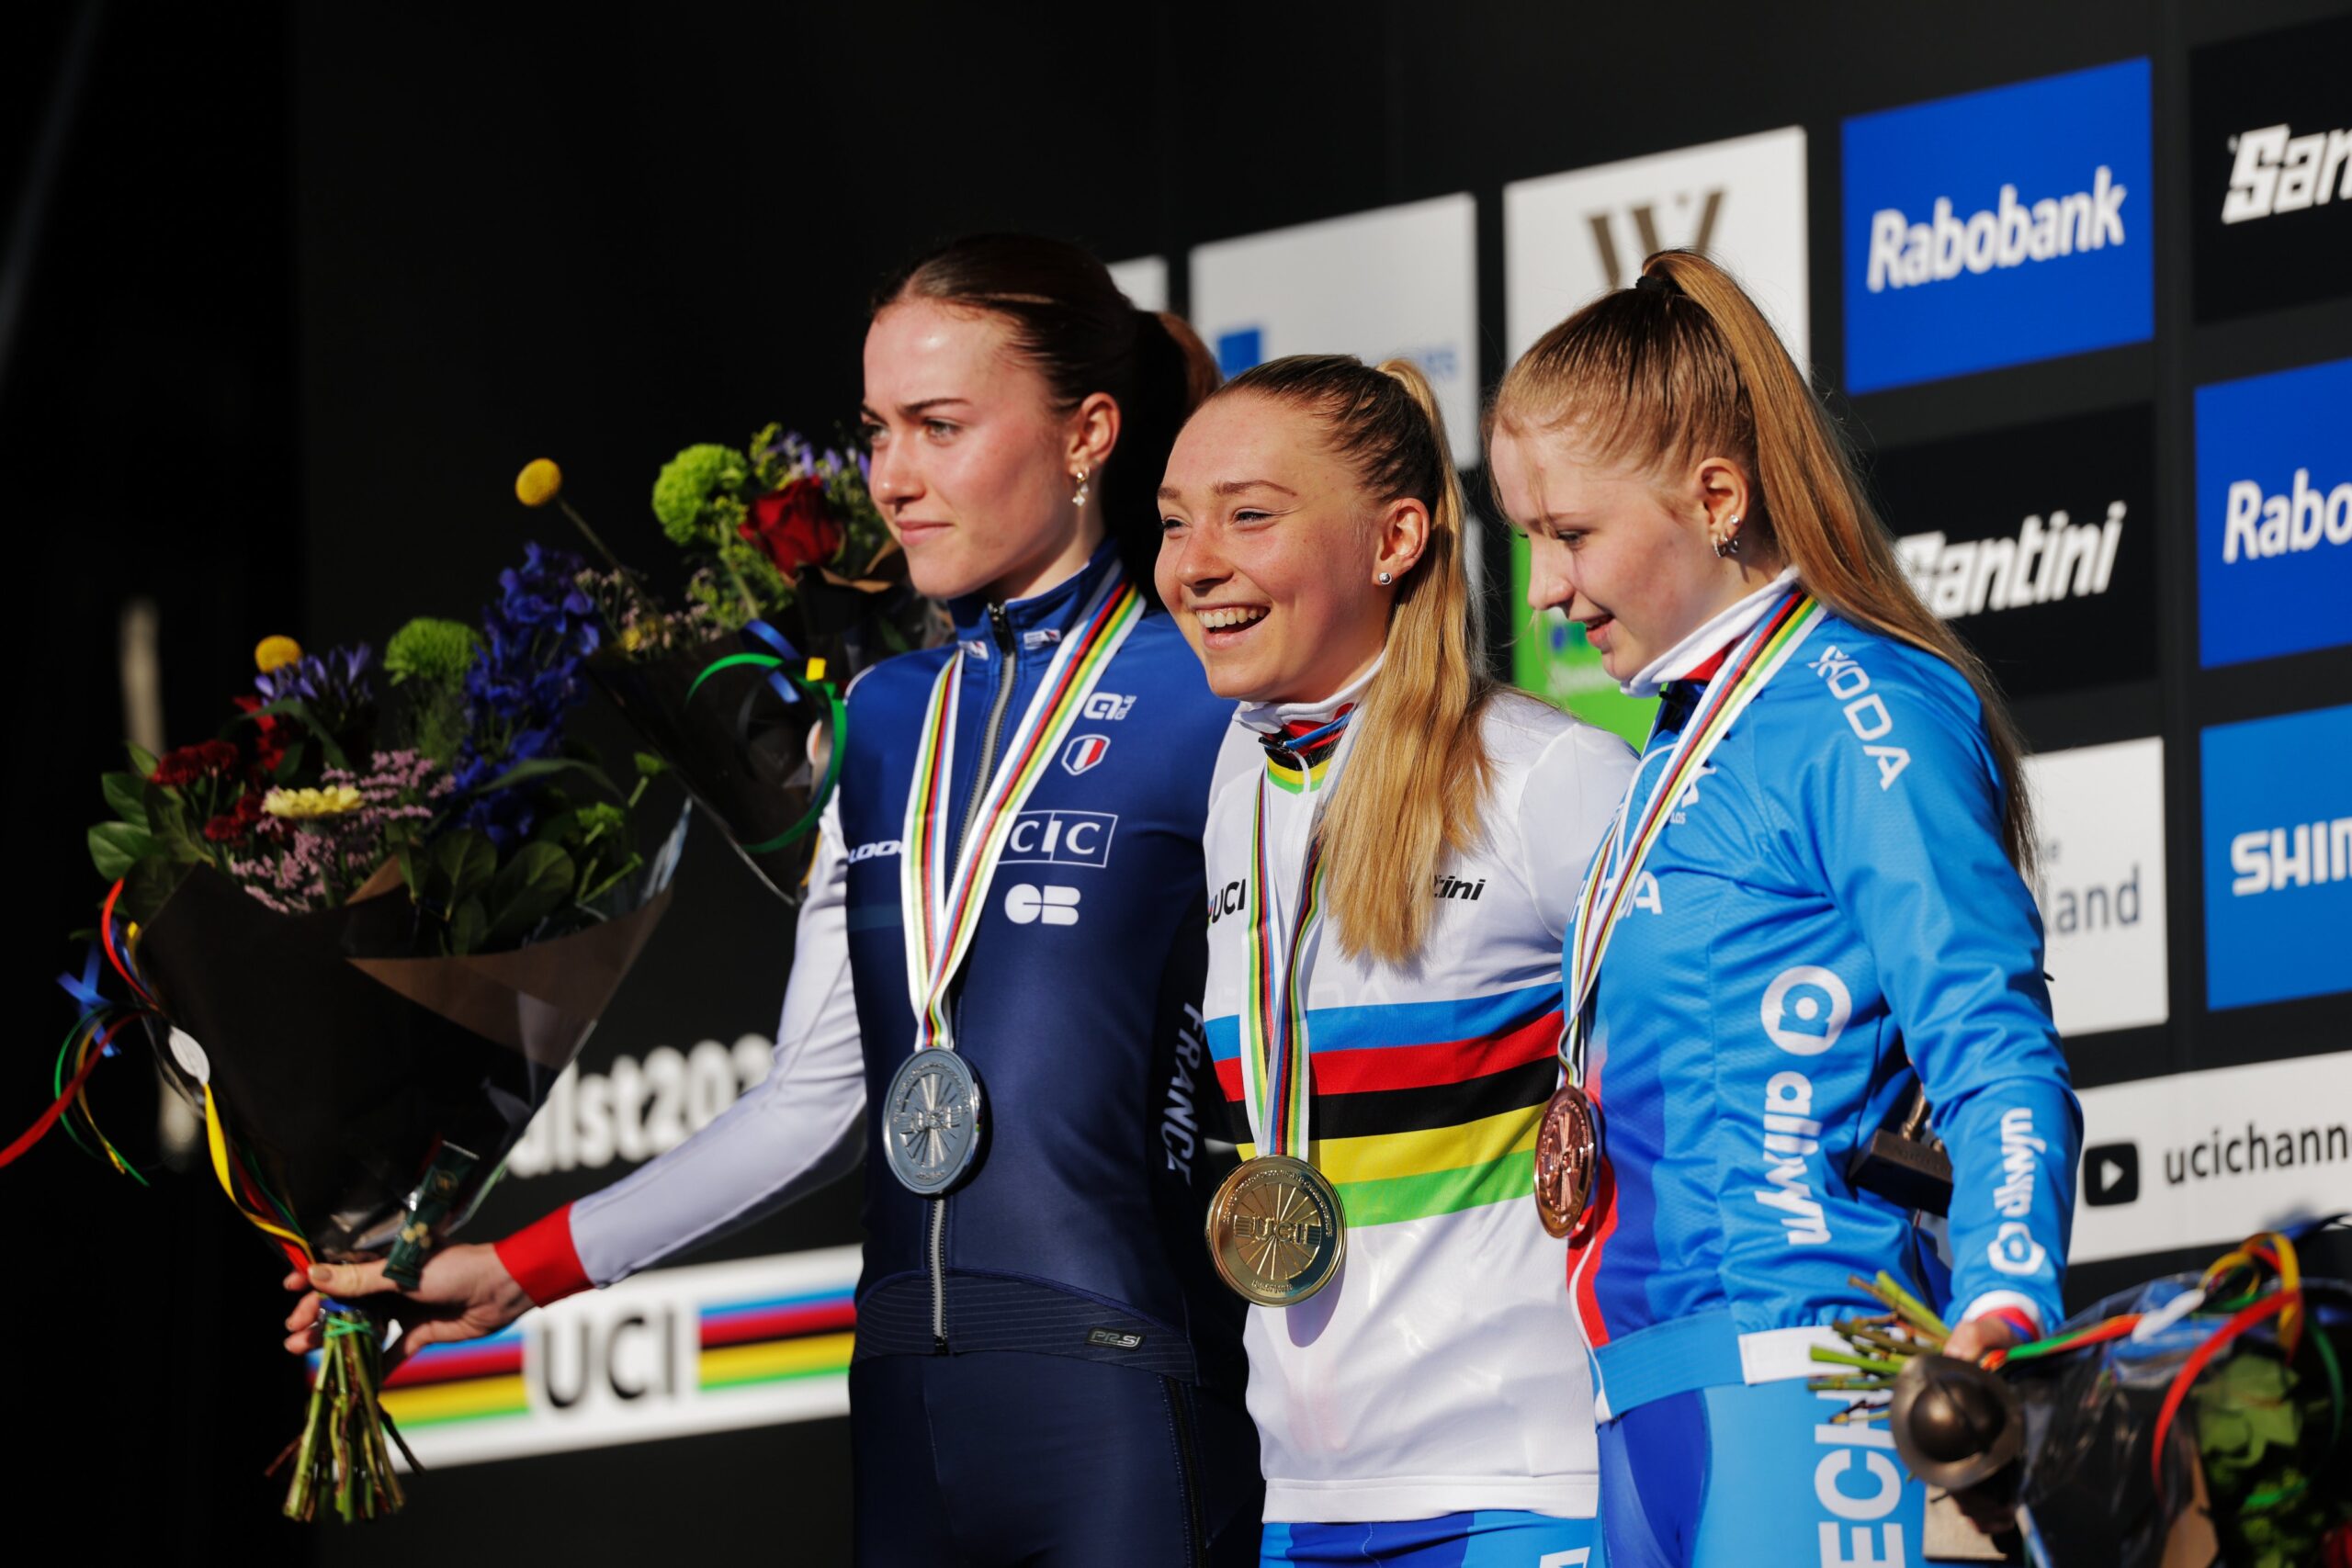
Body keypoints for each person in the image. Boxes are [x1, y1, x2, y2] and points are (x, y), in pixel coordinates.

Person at [285, 234, 1263, 1566]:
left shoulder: (1210, 695)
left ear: (1088, 433)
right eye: (877, 432)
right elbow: (814, 1097)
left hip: (1127, 1399)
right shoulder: (883, 719)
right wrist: (517, 1270)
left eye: (940, 426)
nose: (894, 479)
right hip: (905, 1411)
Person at [1485, 250, 2082, 1568]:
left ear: (1716, 498)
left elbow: (1995, 1048)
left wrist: (2002, 1306)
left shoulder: (1863, 707)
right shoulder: (1677, 737)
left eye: (1570, 534)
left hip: (1811, 1384)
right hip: (1644, 1401)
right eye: (1528, 537)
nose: (1541, 591)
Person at [1158, 353, 1634, 1566]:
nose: (1194, 563)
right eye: (1173, 523)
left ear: (1395, 539)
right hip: (1305, 1501)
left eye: (1248, 516)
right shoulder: (1236, 782)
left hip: (1520, 1485)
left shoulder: (1545, 777)